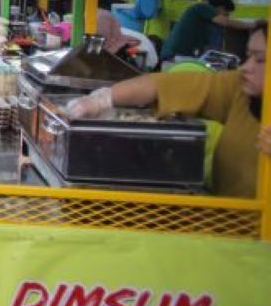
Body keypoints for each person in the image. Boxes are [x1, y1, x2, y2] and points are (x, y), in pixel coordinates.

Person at [66, 25, 267, 197]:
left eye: (260, 59)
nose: (246, 67)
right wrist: (101, 100)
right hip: (223, 216)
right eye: (248, 56)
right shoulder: (238, 89)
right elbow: (165, 85)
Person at [160, 0, 263, 61]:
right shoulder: (203, 8)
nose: (227, 17)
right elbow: (226, 22)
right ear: (220, 7)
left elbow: (209, 49)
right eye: (226, 13)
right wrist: (252, 25)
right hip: (174, 56)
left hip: (180, 57)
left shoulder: (205, 24)